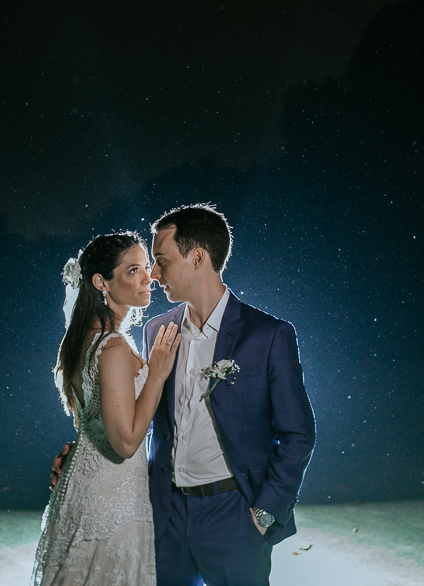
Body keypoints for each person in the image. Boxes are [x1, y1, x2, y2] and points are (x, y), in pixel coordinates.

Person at [52, 205, 316, 585]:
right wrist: (84, 451)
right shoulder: (156, 331)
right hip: (165, 515)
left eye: (160, 261)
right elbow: (129, 413)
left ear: (197, 258)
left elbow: (298, 434)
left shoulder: (267, 335)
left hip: (234, 516)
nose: (153, 274)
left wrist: (263, 514)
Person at [33, 231, 181, 586]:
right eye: (133, 270)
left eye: (147, 267)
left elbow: (95, 422)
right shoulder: (112, 346)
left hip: (87, 487)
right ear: (102, 282)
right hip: (110, 504)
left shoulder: (87, 336)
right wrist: (157, 373)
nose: (149, 278)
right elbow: (127, 442)